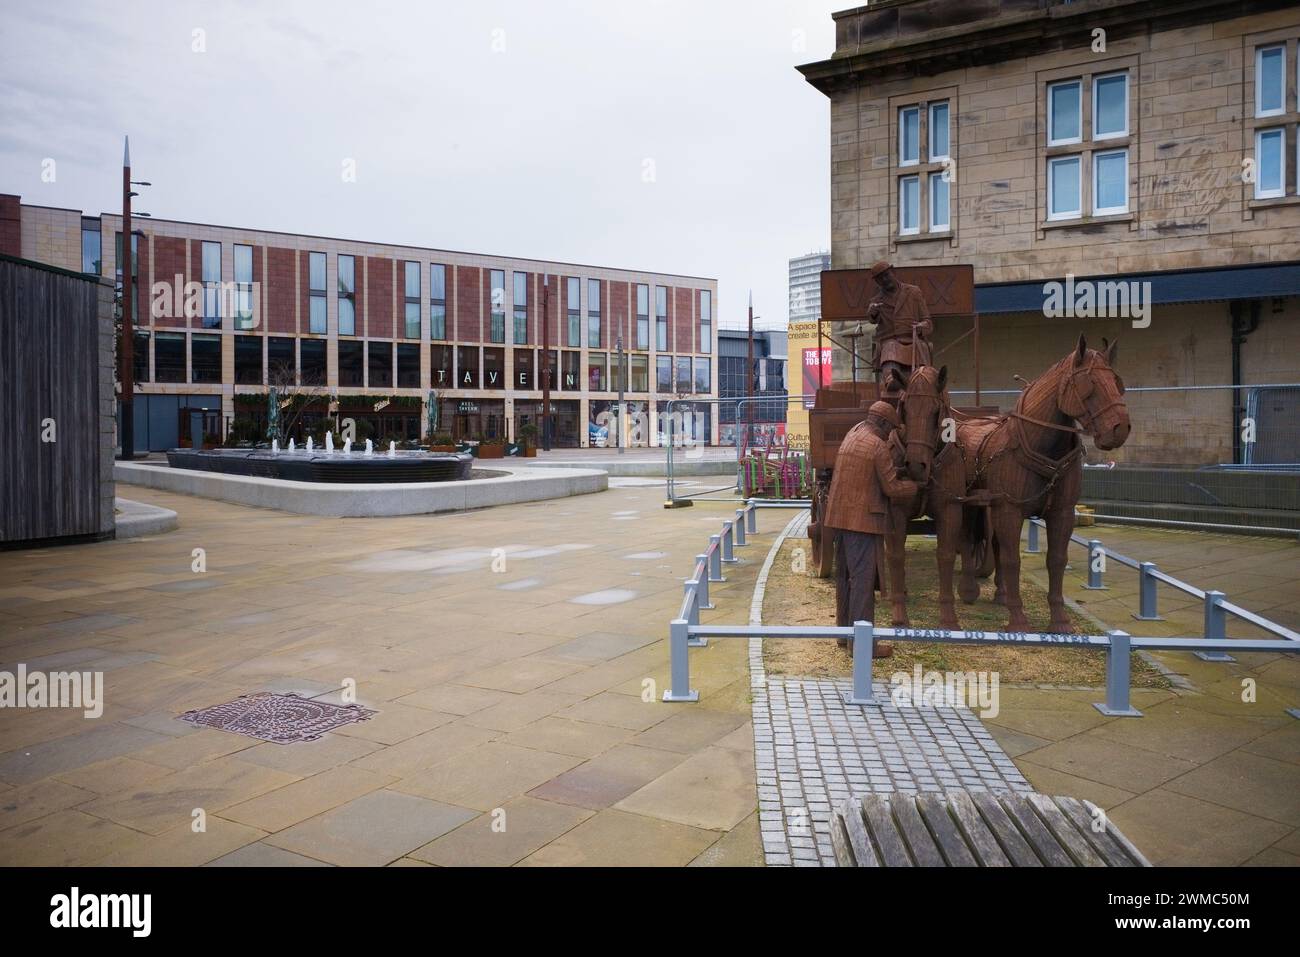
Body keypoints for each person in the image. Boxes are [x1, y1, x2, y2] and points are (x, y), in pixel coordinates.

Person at [823, 401, 919, 657]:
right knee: (863, 584)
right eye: (891, 430)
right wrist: (915, 486)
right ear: (885, 424)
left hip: (841, 518)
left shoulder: (854, 433)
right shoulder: (877, 446)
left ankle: (845, 636)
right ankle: (864, 647)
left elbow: (865, 473)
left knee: (845, 580)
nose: (891, 435)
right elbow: (892, 489)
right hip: (863, 522)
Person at [866, 261, 933, 398]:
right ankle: (892, 379)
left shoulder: (914, 292)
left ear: (893, 272)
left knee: (920, 349)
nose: (884, 280)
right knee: (891, 346)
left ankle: (923, 380)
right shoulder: (877, 300)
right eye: (880, 278)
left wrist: (921, 326)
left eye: (886, 275)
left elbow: (928, 321)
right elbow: (873, 319)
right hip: (890, 341)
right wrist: (872, 311)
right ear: (877, 282)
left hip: (913, 338)